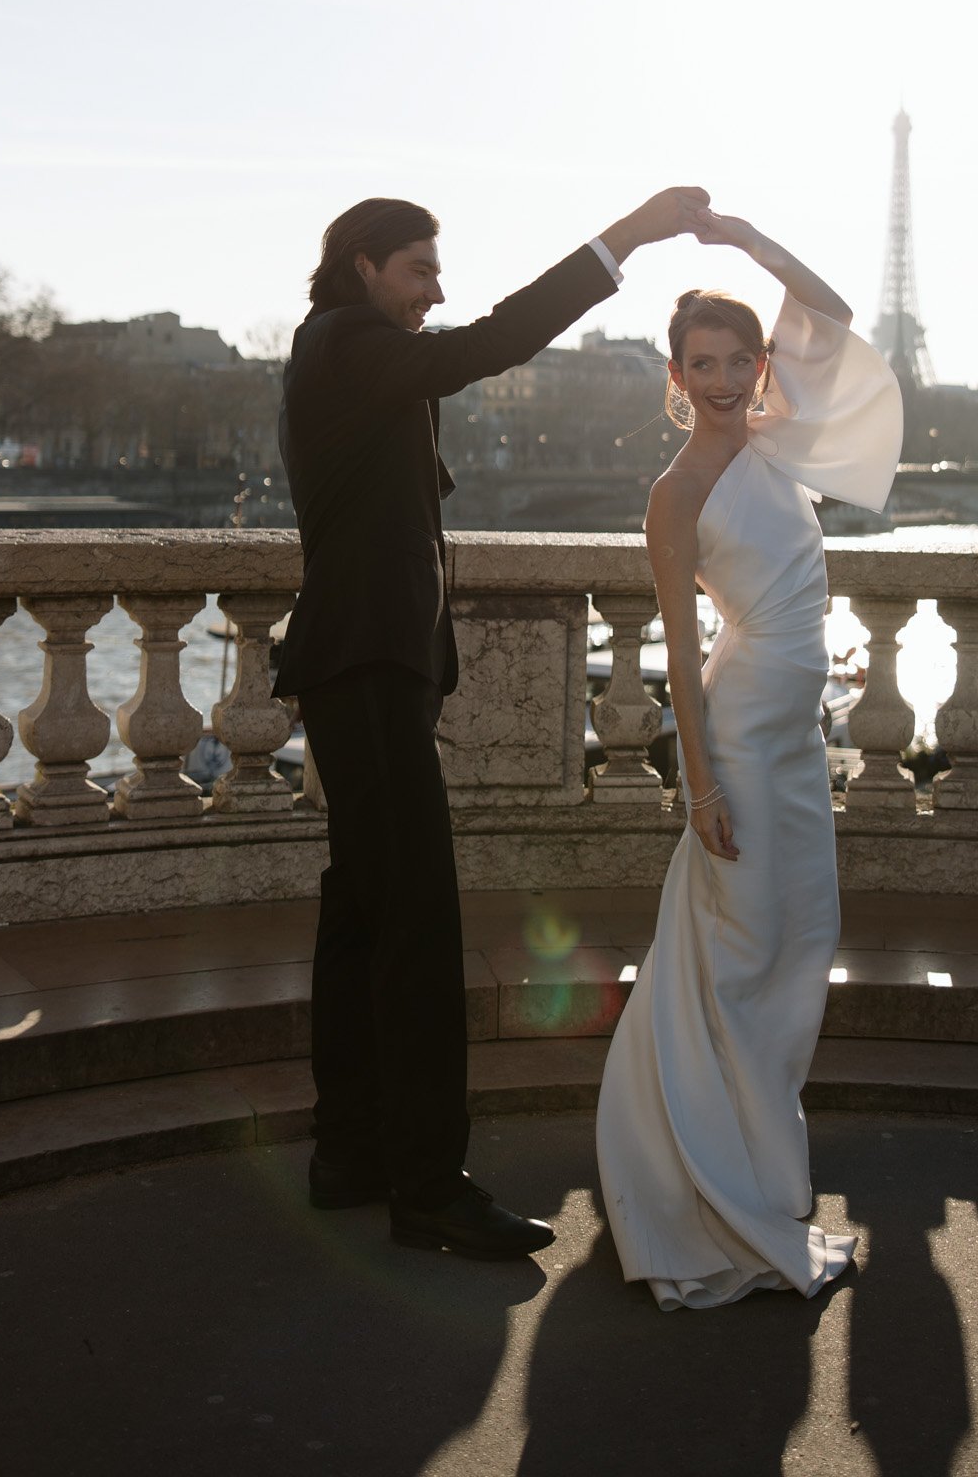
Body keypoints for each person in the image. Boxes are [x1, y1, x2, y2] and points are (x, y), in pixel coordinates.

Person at [274, 186, 710, 1260]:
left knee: (361, 912)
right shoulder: (347, 342)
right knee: (417, 925)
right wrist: (626, 237)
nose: (435, 288)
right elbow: (497, 339)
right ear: (365, 264)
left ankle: (351, 1149)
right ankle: (427, 1184)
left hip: (365, 666)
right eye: (420, 267)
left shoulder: (348, 353)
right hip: (367, 666)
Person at [596, 212, 903, 1308]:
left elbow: (836, 309)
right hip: (736, 737)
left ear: (757, 366)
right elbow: (680, 651)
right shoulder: (674, 493)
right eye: (703, 365)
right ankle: (715, 1188)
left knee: (791, 949)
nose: (723, 380)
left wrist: (734, 235)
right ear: (674, 375)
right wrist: (697, 779)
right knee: (745, 957)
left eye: (740, 362)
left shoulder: (776, 441)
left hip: (795, 741)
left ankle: (753, 1174)